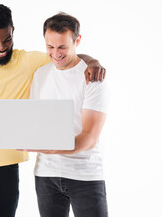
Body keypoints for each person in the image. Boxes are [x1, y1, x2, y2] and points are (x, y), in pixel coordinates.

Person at [0, 4, 106, 217]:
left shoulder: (29, 62)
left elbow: (67, 56)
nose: (1, 47)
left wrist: (93, 61)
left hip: (7, 167)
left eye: (7, 40)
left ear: (13, 31)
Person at [26, 12, 109, 217]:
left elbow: (89, 138)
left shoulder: (92, 77)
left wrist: (49, 147)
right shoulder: (40, 75)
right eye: (50, 46)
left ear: (77, 41)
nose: (56, 53)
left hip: (85, 175)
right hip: (46, 175)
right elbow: (37, 123)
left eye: (62, 47)